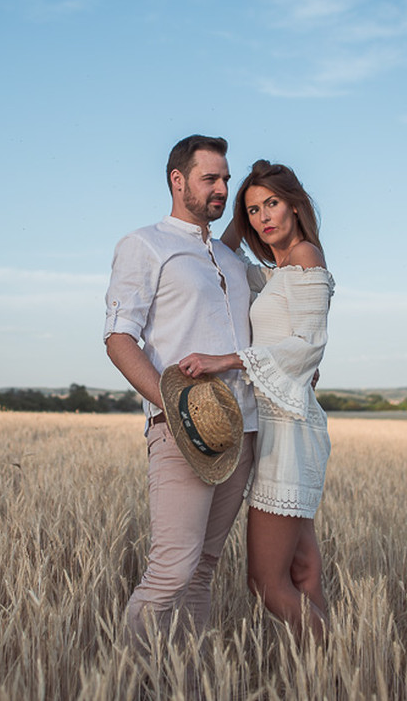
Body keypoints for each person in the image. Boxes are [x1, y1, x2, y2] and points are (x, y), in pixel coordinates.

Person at [103, 135, 258, 650]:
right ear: (178, 180)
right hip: (179, 430)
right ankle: (124, 684)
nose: (221, 187)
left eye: (226, 180)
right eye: (209, 178)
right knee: (171, 570)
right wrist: (174, 408)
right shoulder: (145, 245)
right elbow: (119, 339)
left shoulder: (229, 259)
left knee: (203, 570)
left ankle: (188, 683)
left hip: (243, 431)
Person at [177, 159, 333, 642]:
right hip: (282, 428)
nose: (265, 217)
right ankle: (332, 675)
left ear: (294, 205)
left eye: (272, 203)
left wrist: (223, 361)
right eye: (253, 210)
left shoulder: (305, 256)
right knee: (303, 571)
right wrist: (234, 225)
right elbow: (220, 259)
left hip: (288, 434)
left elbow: (306, 347)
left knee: (265, 583)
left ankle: (339, 662)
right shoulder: (278, 272)